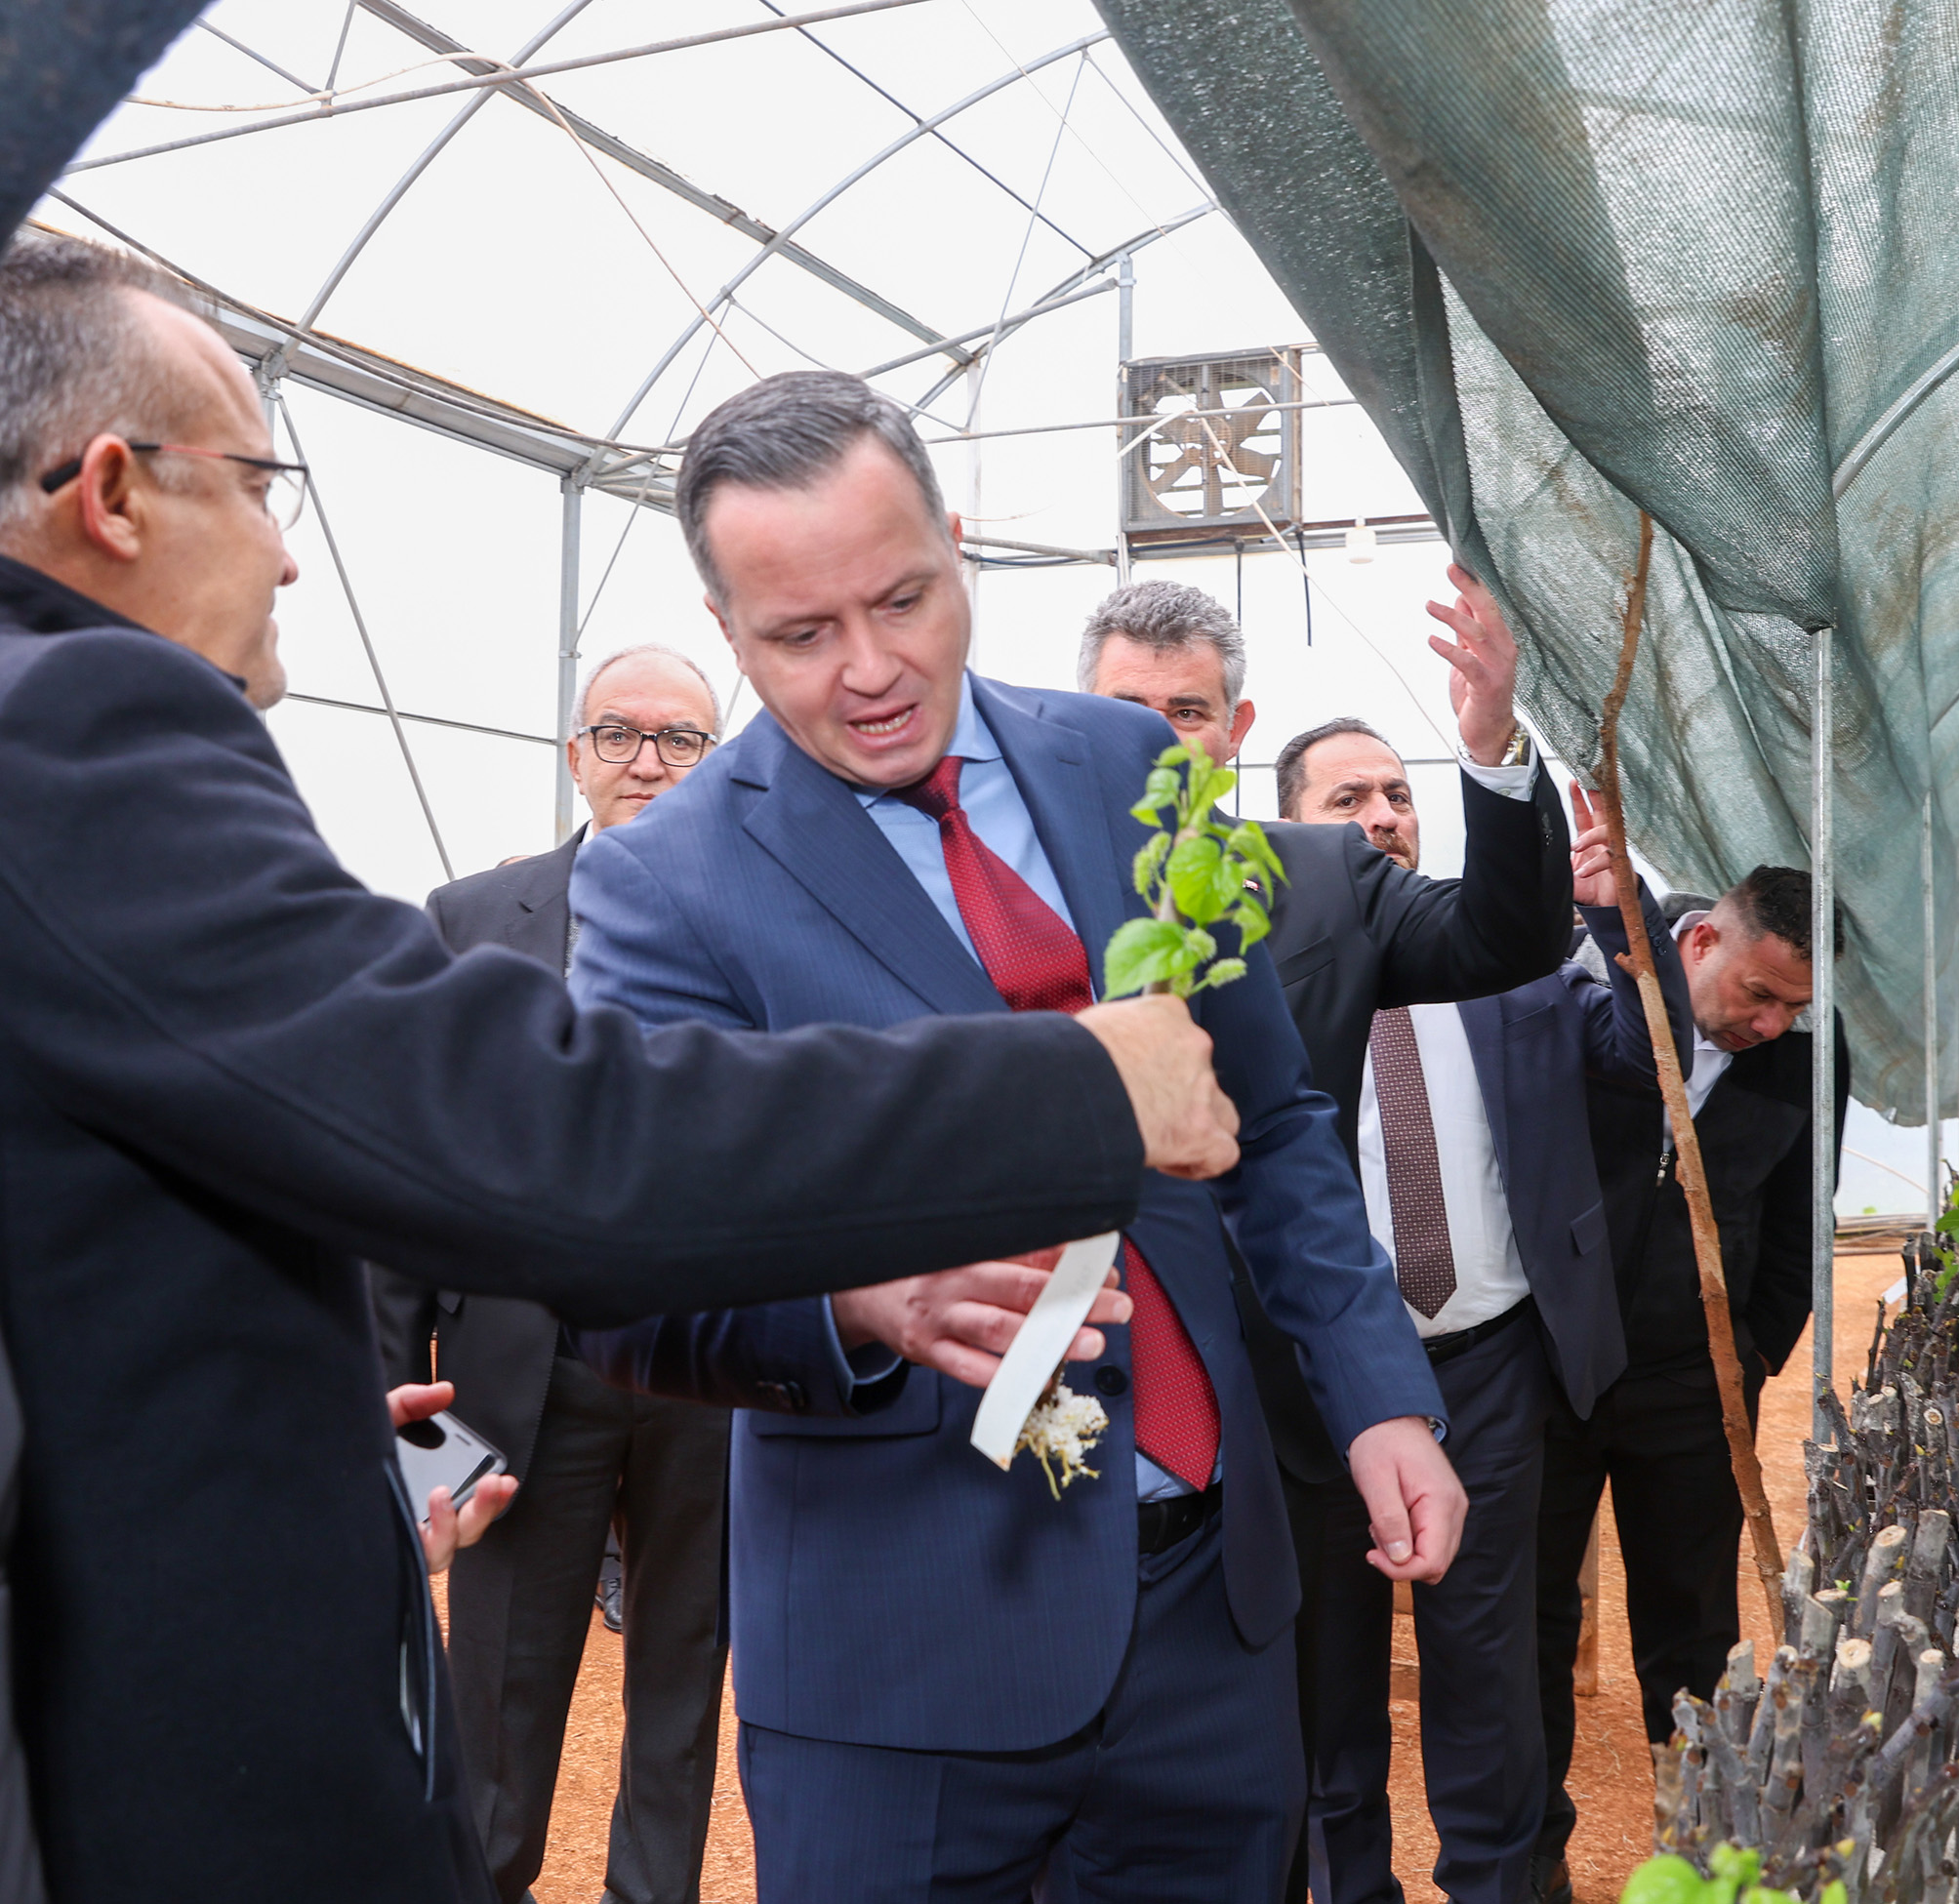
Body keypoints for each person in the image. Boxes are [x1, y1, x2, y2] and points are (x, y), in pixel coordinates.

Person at [0, 230, 1236, 1904]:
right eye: (258, 482)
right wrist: (1079, 1085)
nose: (289, 552)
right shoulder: (71, 727)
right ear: (113, 495)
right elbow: (544, 1131)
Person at [568, 368, 1464, 1903]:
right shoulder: (666, 884)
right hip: (900, 1664)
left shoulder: (1129, 769)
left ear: (958, 544)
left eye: (904, 599)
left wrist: (1377, 1390)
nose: (871, 669)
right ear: (728, 628)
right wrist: (858, 1303)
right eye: (801, 633)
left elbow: (1271, 1118)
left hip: (1209, 1622)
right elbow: (624, 1270)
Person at [1077, 579, 1572, 1903]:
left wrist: (1488, 745)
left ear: (1233, 728)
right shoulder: (1017, 889)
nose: (1155, 738)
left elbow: (1507, 934)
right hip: (1152, 1404)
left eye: (1187, 710)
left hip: (1362, 1370)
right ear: (1076, 715)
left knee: (1459, 1689)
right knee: (1297, 1727)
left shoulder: (1316, 879)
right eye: (1126, 708)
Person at [1283, 769, 1694, 1904]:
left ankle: (1500, 1885)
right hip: (1320, 1387)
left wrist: (1620, 920)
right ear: (1289, 835)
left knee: (1489, 1672)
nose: (1381, 815)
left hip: (1487, 1371)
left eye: (1395, 791)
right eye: (1345, 799)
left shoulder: (1512, 958)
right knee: (1325, 1681)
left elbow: (1645, 1057)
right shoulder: (1258, 983)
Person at [373, 643, 735, 1904]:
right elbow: (409, 1169)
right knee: (498, 1702)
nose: (648, 760)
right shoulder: (470, 918)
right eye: (619, 732)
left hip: (717, 1372)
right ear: (575, 754)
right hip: (522, 1374)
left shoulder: (767, 917)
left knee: (683, 1685)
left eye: (680, 738)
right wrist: (397, 1407)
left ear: (716, 761)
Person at [1528, 852, 1850, 1904]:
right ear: (1700, 941)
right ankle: (1530, 1862)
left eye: (1793, 1008)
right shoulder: (1583, 978)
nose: (1770, 1024)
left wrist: (1748, 1360)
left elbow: (1800, 1224)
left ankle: (1699, 1858)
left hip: (1695, 1385)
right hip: (1548, 1371)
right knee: (1529, 1621)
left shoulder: (1807, 1056)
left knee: (1692, 1632)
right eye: (1758, 994)